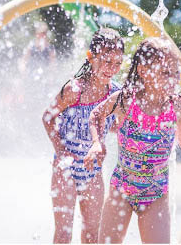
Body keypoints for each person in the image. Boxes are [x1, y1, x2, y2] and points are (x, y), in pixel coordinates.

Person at [84, 37, 181, 244]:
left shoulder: (177, 106)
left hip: (156, 194)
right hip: (121, 189)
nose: (173, 80)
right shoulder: (126, 100)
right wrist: (97, 143)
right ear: (142, 71)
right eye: (165, 73)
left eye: (175, 73)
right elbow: (96, 115)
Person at [42, 28, 124, 243]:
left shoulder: (115, 93)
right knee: (63, 233)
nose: (112, 69)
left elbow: (117, 125)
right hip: (66, 168)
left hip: (93, 170)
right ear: (91, 57)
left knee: (92, 233)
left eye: (117, 63)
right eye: (107, 61)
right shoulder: (74, 89)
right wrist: (60, 150)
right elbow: (48, 117)